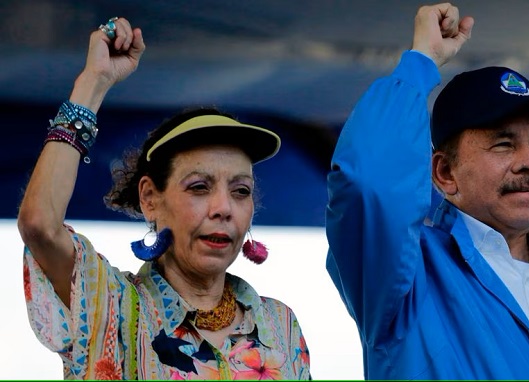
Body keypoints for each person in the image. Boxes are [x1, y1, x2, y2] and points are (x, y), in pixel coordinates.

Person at [325, 3, 529, 380]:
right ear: (445, 173)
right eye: (504, 144)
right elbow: (369, 181)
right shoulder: (405, 279)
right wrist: (420, 61)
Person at [18, 17, 310, 380]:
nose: (223, 209)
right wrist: (94, 82)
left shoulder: (280, 324)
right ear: (150, 199)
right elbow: (40, 225)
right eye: (199, 187)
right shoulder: (111, 307)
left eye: (240, 191)